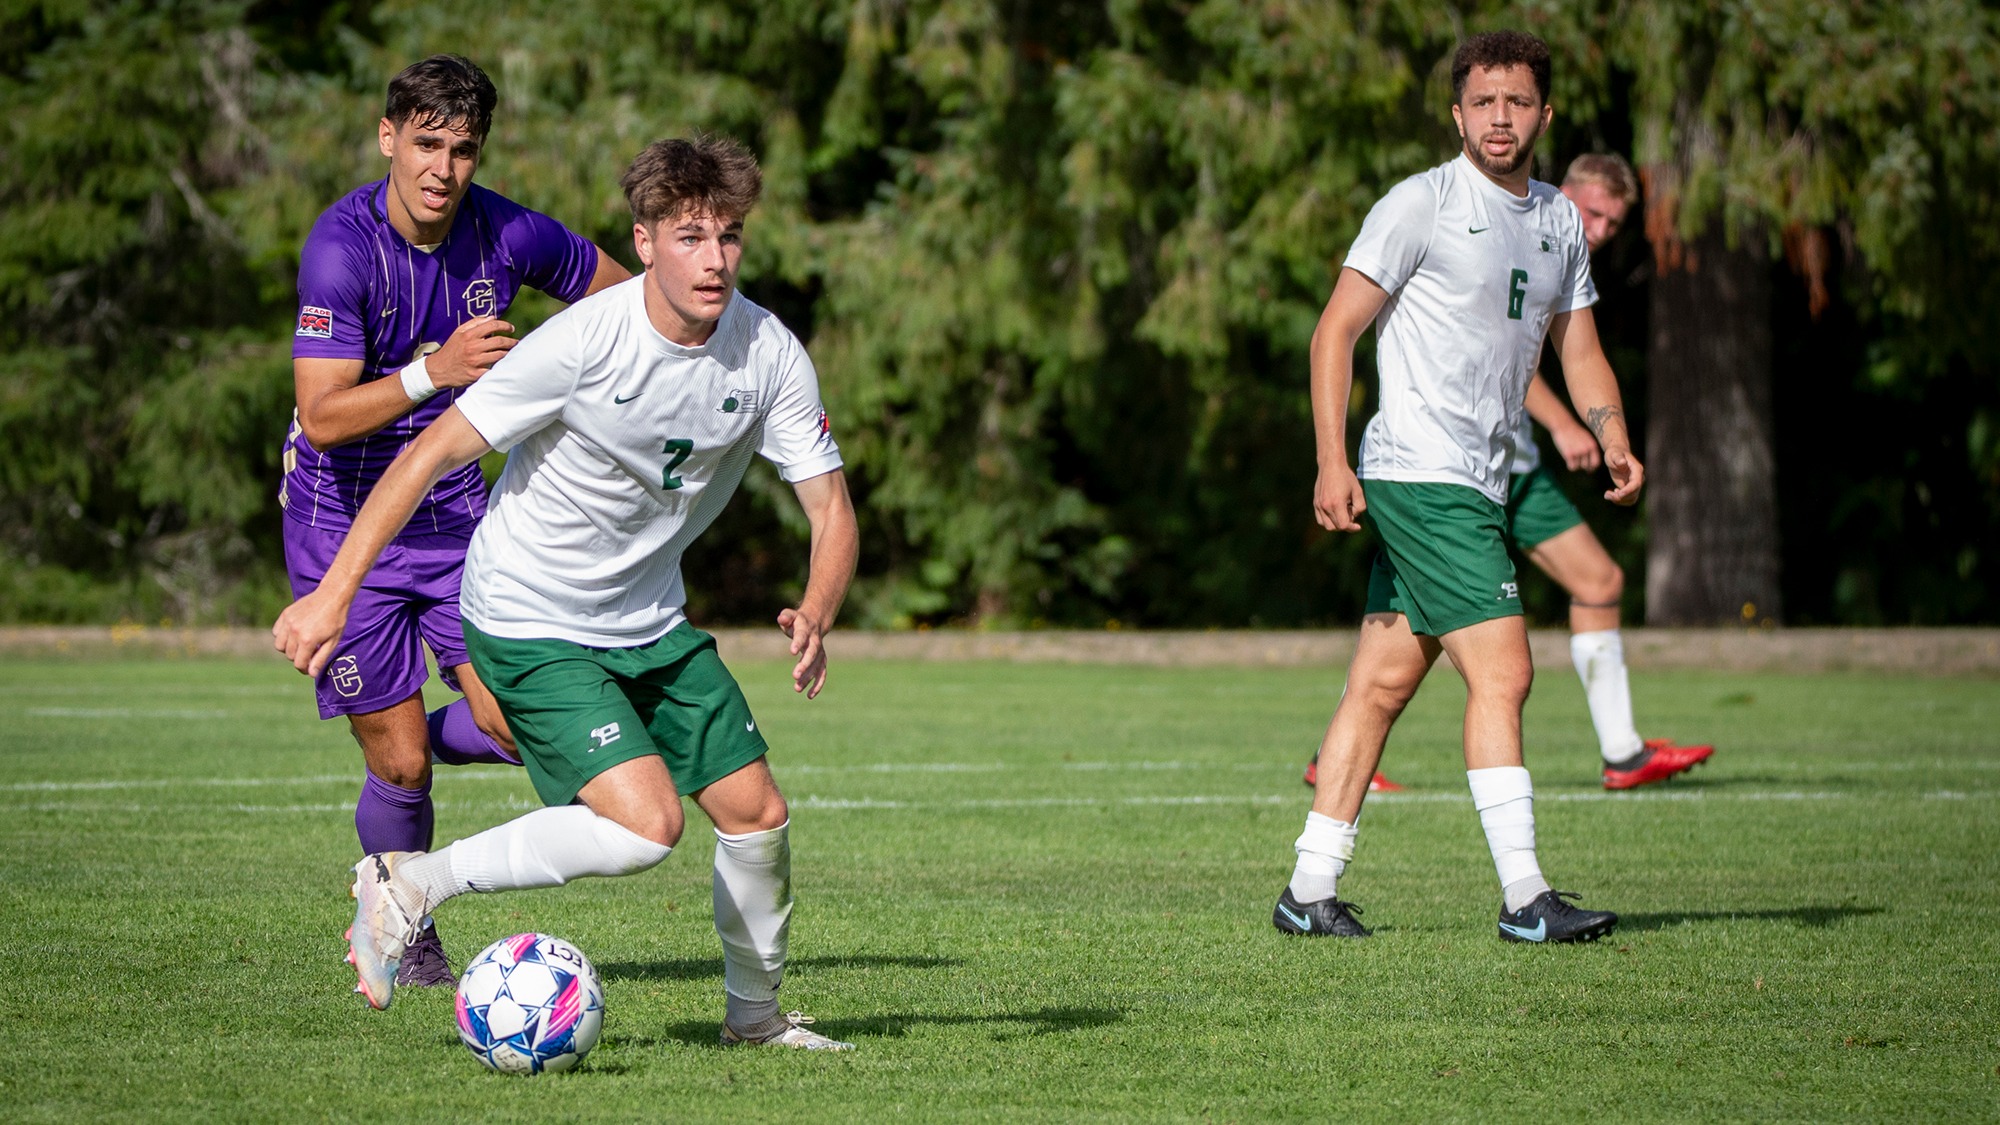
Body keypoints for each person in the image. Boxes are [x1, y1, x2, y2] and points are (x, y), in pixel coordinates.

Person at [276, 134, 860, 1050]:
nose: (714, 260)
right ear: (644, 241)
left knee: (757, 816)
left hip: (649, 621)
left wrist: (818, 607)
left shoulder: (769, 353)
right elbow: (429, 452)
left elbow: (829, 507)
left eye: (730, 237)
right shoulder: (583, 341)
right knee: (645, 825)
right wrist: (332, 594)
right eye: (690, 237)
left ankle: (754, 1021)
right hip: (526, 613)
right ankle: (417, 881)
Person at [1273, 31, 1639, 943]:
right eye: (1484, 103)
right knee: (1505, 670)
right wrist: (1330, 457)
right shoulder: (1421, 205)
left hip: (1480, 479)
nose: (1500, 119)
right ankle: (1526, 899)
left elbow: (1579, 349)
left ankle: (1307, 889)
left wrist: (1614, 434)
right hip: (1420, 471)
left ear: (1543, 114)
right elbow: (1334, 333)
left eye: (1517, 103)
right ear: (1458, 114)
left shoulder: (1558, 220)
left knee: (1381, 683)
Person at [283, 55, 629, 988]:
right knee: (400, 761)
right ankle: (402, 913)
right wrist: (434, 371)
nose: (443, 166)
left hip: (455, 517)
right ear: (389, 137)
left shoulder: (506, 231)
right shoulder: (340, 247)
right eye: (426, 142)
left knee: (513, 720)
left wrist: (576, 384)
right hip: (340, 520)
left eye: (463, 149)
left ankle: (388, 732)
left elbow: (620, 293)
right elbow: (320, 416)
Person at [1302, 154, 1713, 792]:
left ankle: (1313, 867)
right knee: (1501, 673)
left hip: (1498, 471)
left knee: (1394, 670)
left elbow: (1565, 353)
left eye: (1614, 220)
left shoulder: (1556, 240)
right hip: (1444, 472)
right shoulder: (1454, 214)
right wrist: (1564, 425)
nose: (1601, 228)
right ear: (1567, 188)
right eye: (1595, 211)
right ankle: (1527, 881)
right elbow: (1465, 349)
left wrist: (1611, 435)